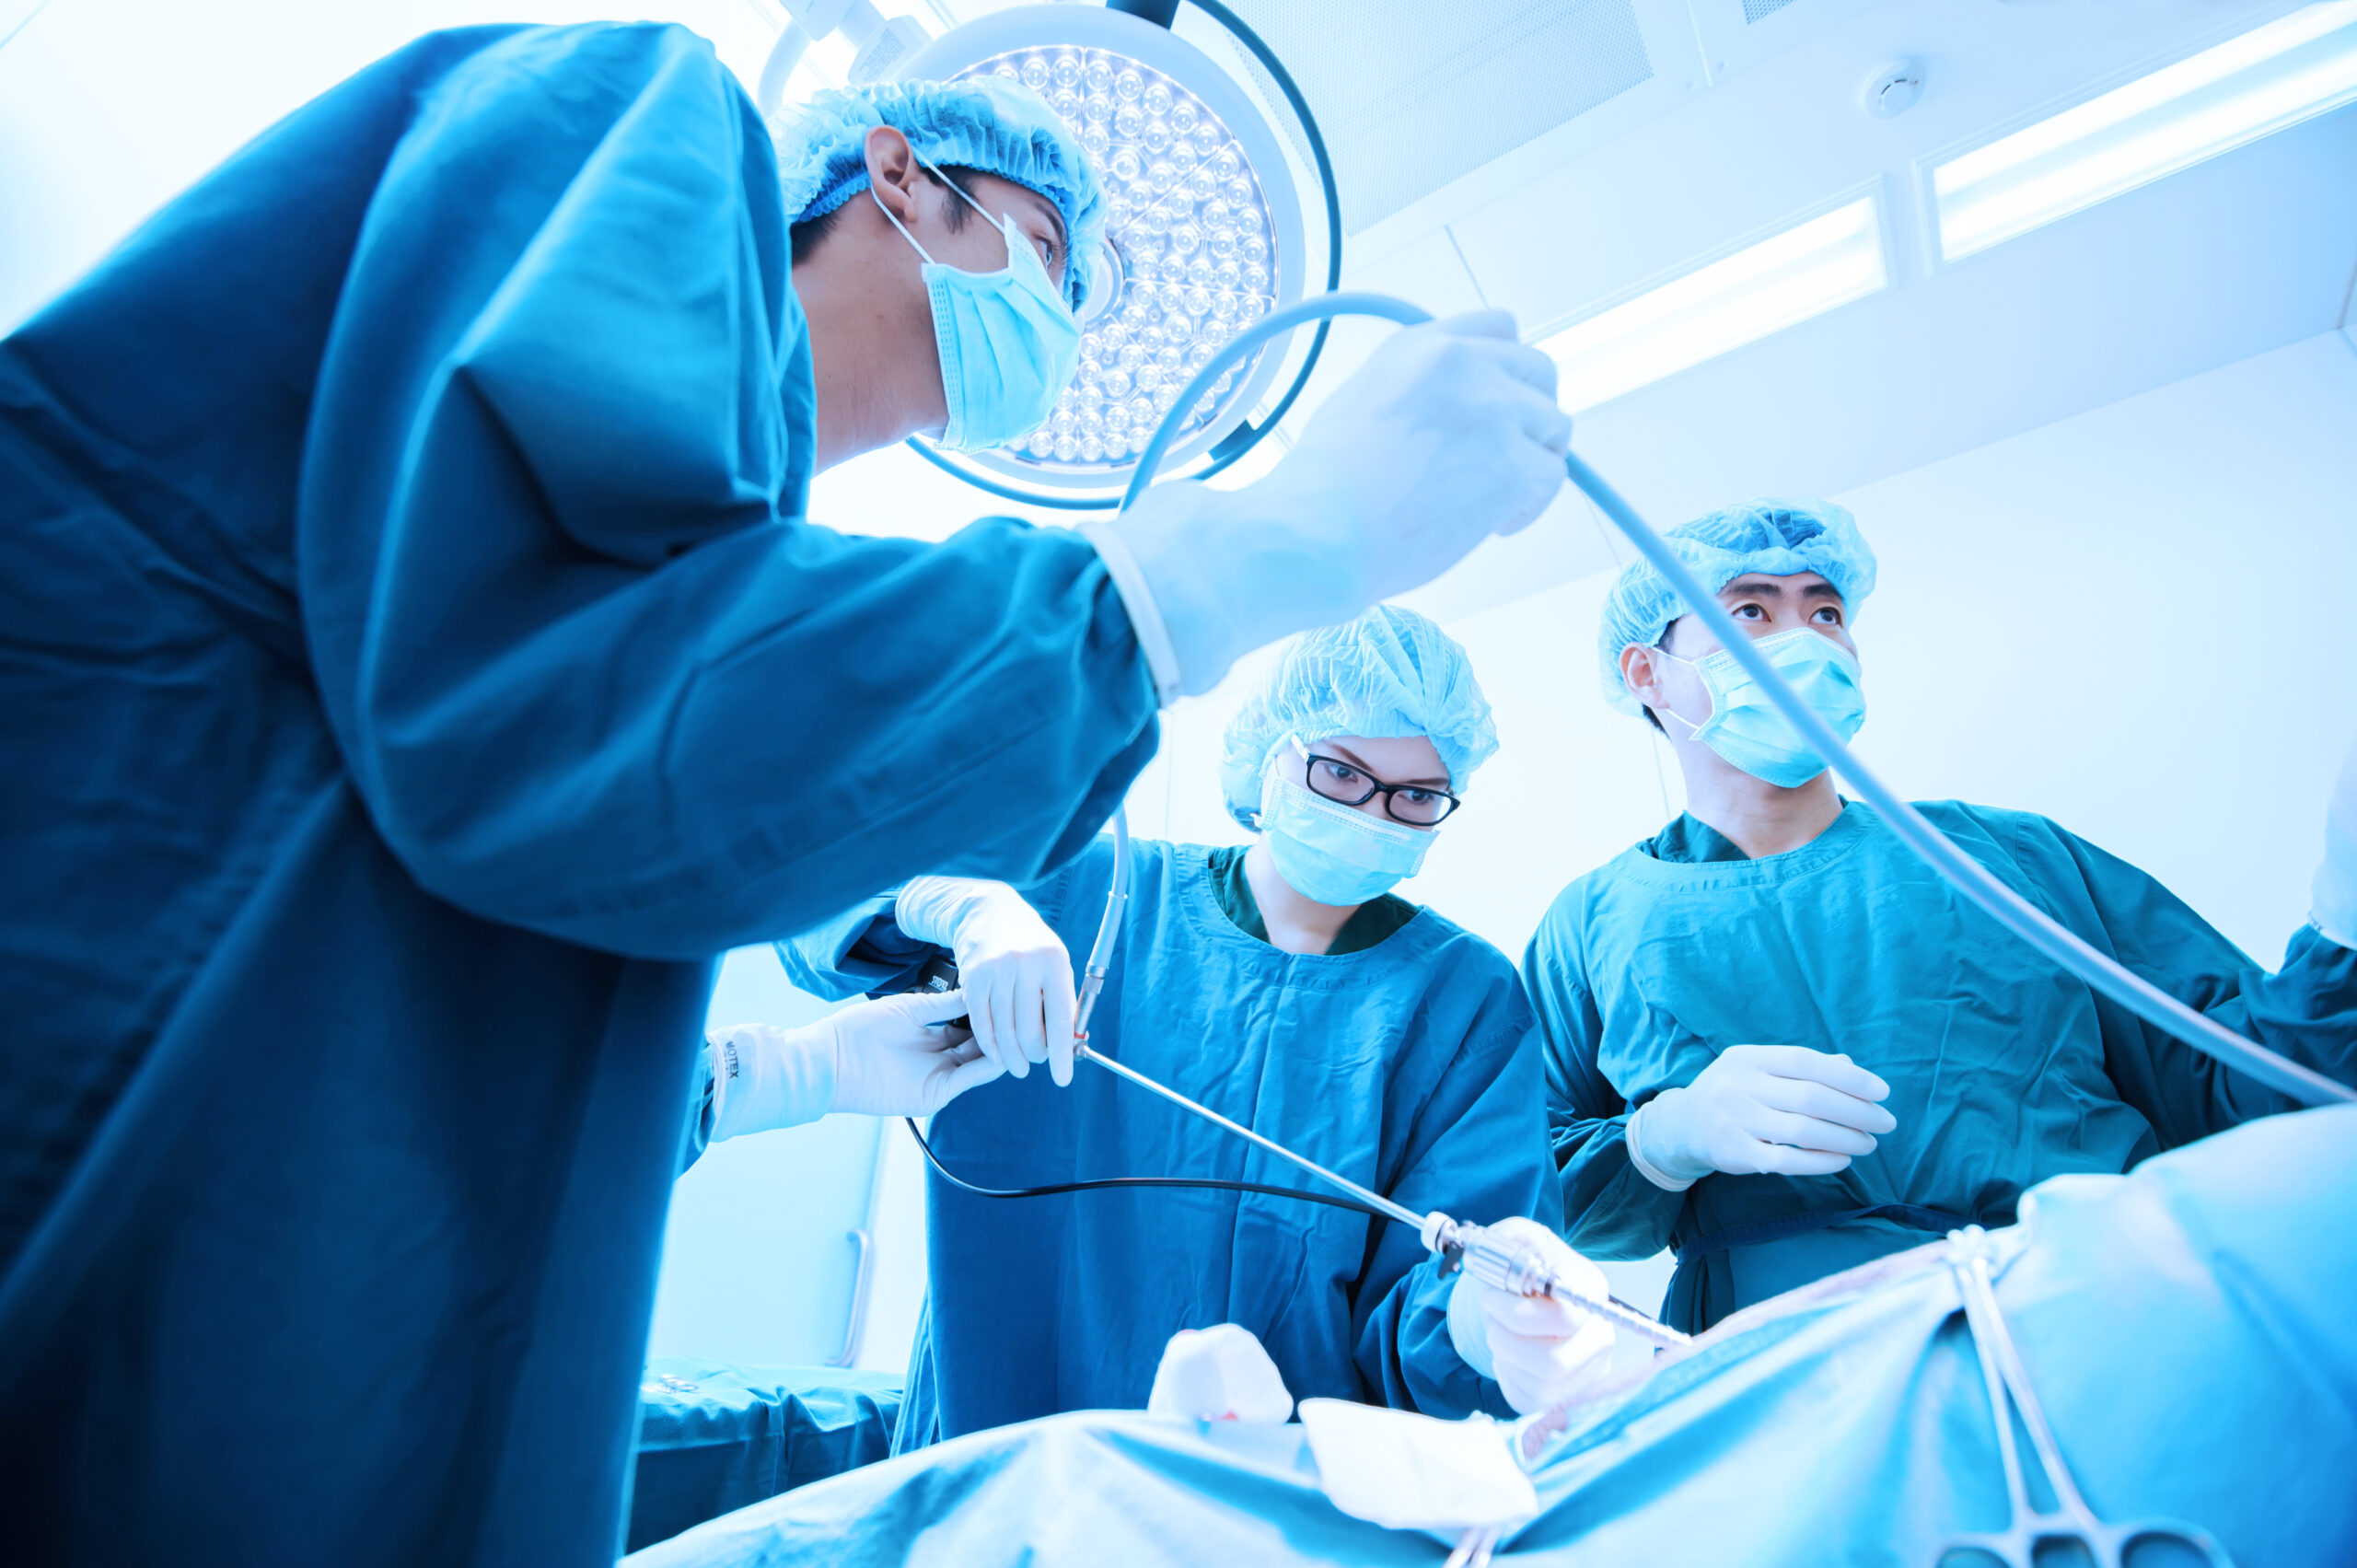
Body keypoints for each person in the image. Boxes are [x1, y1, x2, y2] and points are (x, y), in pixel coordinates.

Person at [0, 23, 1574, 1567]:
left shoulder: (700, 576)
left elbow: (553, 880)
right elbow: (545, 722)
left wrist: (784, 1079)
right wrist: (1217, 568)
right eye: (1041, 254)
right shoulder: (640, 124)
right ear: (894, 169)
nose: (1062, 325)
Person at [752, 607, 1610, 1446]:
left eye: (1416, 796)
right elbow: (798, 888)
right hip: (1001, 1446)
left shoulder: (1464, 1001)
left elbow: (1431, 1302)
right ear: (1274, 751)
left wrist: (1476, 1316)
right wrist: (949, 901)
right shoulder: (1084, 893)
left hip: (1266, 1506)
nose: (1374, 814)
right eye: (1343, 773)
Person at [1526, 500, 2357, 1333]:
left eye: (1826, 610)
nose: (1804, 637)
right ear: (1646, 673)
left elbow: (2243, 1074)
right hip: (1800, 1364)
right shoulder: (1594, 923)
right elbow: (1533, 1191)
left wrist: (2344, 922)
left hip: (2098, 1315)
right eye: (1751, 609)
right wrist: (1664, 1141)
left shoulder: (2009, 859)